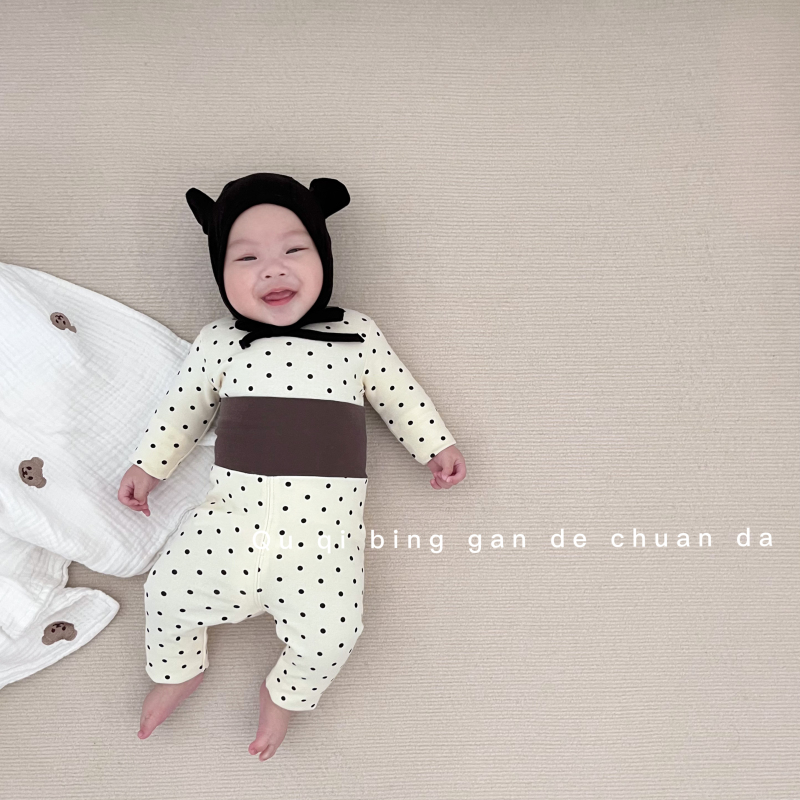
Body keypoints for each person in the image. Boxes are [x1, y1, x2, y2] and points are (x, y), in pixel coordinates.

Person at [117, 173, 466, 761]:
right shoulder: (219, 341)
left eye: (293, 250)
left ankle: (283, 694)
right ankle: (179, 670)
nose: (272, 271)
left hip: (322, 540)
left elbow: (400, 395)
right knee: (165, 593)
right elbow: (182, 410)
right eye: (247, 257)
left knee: (335, 635)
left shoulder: (356, 335)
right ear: (220, 272)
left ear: (323, 256)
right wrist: (148, 467)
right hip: (230, 521)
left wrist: (435, 445)